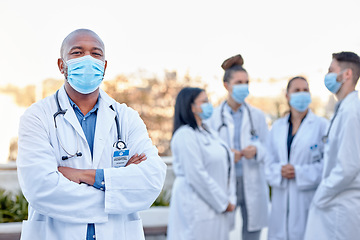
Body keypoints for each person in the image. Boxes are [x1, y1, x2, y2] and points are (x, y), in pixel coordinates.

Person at [16, 29, 167, 240]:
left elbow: (152, 180)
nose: (88, 59)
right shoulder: (37, 117)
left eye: (96, 54)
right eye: (77, 53)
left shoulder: (125, 117)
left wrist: (85, 175)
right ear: (62, 65)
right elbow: (40, 189)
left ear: (104, 66)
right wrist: (118, 188)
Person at [207, 54, 269, 240]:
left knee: (252, 233)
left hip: (252, 180)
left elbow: (269, 149)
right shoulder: (213, 117)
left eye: (246, 82)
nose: (244, 86)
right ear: (226, 85)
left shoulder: (257, 115)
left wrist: (257, 150)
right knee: (220, 231)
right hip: (225, 182)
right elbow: (208, 150)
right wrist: (227, 155)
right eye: (239, 82)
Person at [167, 87, 236, 240]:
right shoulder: (185, 135)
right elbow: (196, 174)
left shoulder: (207, 131)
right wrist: (223, 202)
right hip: (196, 205)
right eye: (204, 101)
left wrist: (228, 199)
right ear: (190, 106)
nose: (208, 105)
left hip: (213, 206)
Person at [304, 52, 360, 240]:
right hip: (337, 202)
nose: (327, 76)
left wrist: (322, 194)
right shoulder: (344, 109)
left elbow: (348, 167)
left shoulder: (351, 112)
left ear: (346, 75)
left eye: (330, 71)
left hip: (341, 205)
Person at [265, 76, 328, 240]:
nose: (302, 94)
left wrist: (299, 172)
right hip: (281, 198)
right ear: (287, 96)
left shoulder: (322, 126)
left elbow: (328, 164)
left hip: (307, 198)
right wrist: (280, 170)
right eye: (297, 90)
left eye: (305, 90)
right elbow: (268, 161)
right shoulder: (277, 127)